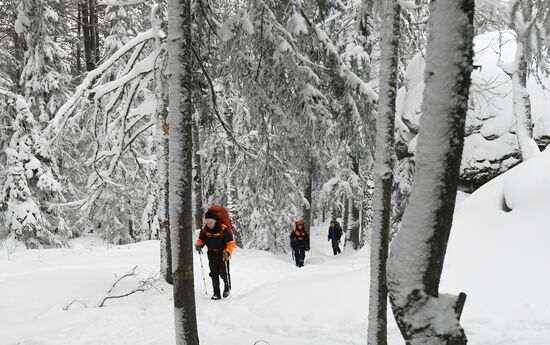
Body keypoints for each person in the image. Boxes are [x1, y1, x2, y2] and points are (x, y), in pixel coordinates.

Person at [195, 210, 235, 300]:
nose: (209, 224)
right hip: (211, 254)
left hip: (223, 254)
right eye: (207, 222)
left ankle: (227, 288)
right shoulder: (204, 229)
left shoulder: (223, 229)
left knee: (224, 273)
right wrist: (198, 245)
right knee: (214, 273)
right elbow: (201, 239)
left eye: (211, 222)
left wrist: (228, 252)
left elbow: (230, 242)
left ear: (215, 221)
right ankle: (216, 293)